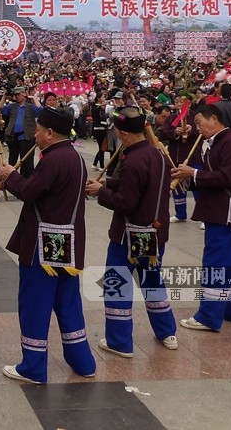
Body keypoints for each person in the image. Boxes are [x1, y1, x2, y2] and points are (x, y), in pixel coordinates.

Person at [0, 107, 96, 383]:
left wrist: (10, 175)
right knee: (67, 302)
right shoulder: (73, 156)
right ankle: (83, 361)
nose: (34, 134)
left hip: (43, 243)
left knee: (35, 304)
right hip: (68, 241)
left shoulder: (53, 160)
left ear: (50, 133)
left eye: (37, 130)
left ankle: (34, 368)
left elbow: (29, 191)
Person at [85, 107, 177, 357]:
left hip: (129, 236)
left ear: (123, 133)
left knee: (117, 285)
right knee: (153, 282)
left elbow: (126, 202)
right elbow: (140, 186)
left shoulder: (133, 160)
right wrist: (107, 183)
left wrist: (100, 192)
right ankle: (167, 332)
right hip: (155, 233)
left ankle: (119, 342)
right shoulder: (157, 153)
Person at [171, 104, 231, 332]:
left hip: (225, 212)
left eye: (199, 123)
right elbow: (211, 176)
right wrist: (188, 178)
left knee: (215, 263)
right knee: (225, 264)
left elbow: (226, 177)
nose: (197, 128)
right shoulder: (217, 143)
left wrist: (193, 173)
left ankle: (208, 316)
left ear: (214, 119)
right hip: (216, 209)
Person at [159, 95, 201, 224]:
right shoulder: (172, 118)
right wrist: (174, 132)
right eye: (176, 101)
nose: (179, 103)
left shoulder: (196, 117)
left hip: (193, 156)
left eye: (182, 101)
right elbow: (162, 133)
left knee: (198, 187)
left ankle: (202, 216)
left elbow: (203, 133)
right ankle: (180, 213)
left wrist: (191, 130)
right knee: (177, 187)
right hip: (175, 158)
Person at [0, 87, 42, 178]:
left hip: (26, 137)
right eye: (16, 95)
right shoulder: (12, 106)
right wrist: (4, 97)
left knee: (27, 161)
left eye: (18, 94)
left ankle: (26, 180)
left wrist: (34, 98)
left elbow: (41, 111)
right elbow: (1, 110)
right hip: (14, 137)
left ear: (23, 94)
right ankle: (10, 177)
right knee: (12, 160)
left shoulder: (30, 107)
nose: (17, 96)